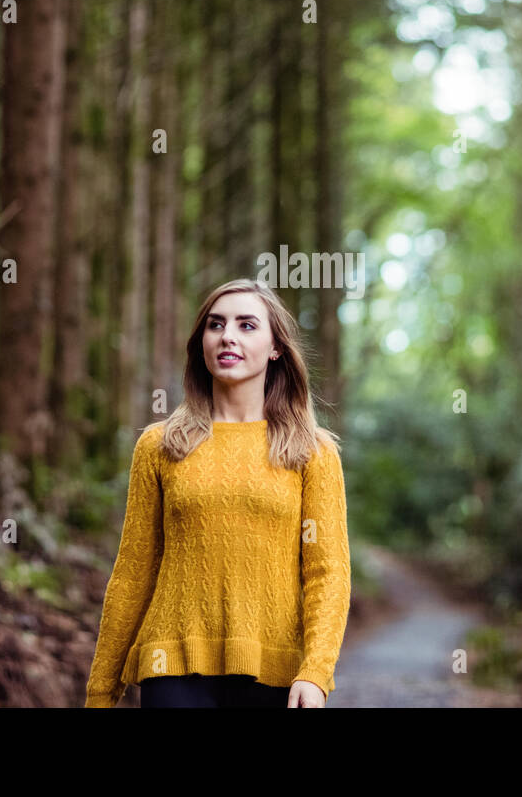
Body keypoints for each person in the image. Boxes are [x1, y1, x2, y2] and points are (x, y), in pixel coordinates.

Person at [84, 278, 352, 708]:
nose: (228, 335)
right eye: (216, 324)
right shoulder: (161, 445)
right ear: (202, 343)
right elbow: (133, 572)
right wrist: (100, 690)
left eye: (247, 325)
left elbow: (327, 573)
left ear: (275, 348)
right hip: (170, 665)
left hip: (275, 674)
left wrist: (317, 672)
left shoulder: (312, 452)